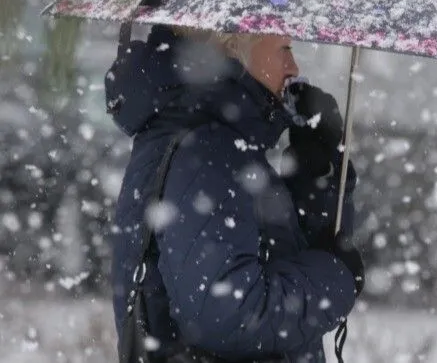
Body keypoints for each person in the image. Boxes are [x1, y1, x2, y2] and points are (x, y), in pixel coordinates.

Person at [106, 24, 364, 362]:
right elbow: (228, 315)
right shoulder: (209, 151)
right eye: (283, 49)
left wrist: (317, 171)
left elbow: (274, 257)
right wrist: (333, 279)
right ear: (232, 49)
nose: (294, 67)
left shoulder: (214, 142)